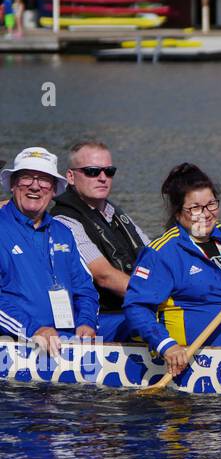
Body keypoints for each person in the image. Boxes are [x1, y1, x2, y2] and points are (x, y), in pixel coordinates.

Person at [124, 164, 221, 375]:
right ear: (177, 211)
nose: (206, 214)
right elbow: (136, 307)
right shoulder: (163, 253)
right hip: (195, 360)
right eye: (195, 208)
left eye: (211, 204)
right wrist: (167, 346)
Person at [0, 147, 98, 354]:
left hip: (68, 341)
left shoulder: (63, 232)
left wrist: (87, 322)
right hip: (18, 345)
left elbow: (84, 288)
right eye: (26, 178)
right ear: (12, 184)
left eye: (44, 180)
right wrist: (33, 330)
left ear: (53, 189)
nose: (35, 186)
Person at [50, 140, 149, 343]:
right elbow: (104, 276)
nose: (103, 178)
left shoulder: (114, 212)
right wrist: (160, 296)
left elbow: (153, 251)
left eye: (109, 171)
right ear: (70, 176)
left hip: (135, 304)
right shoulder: (63, 220)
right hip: (101, 317)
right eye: (92, 171)